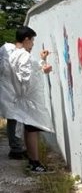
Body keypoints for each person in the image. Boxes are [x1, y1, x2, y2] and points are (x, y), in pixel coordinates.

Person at [0, 26, 53, 172]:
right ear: (26, 39)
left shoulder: (13, 55)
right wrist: (43, 69)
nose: (34, 44)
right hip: (30, 100)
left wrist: (41, 62)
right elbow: (26, 78)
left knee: (29, 128)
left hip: (24, 99)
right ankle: (35, 163)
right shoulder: (24, 56)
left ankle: (33, 161)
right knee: (32, 129)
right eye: (32, 40)